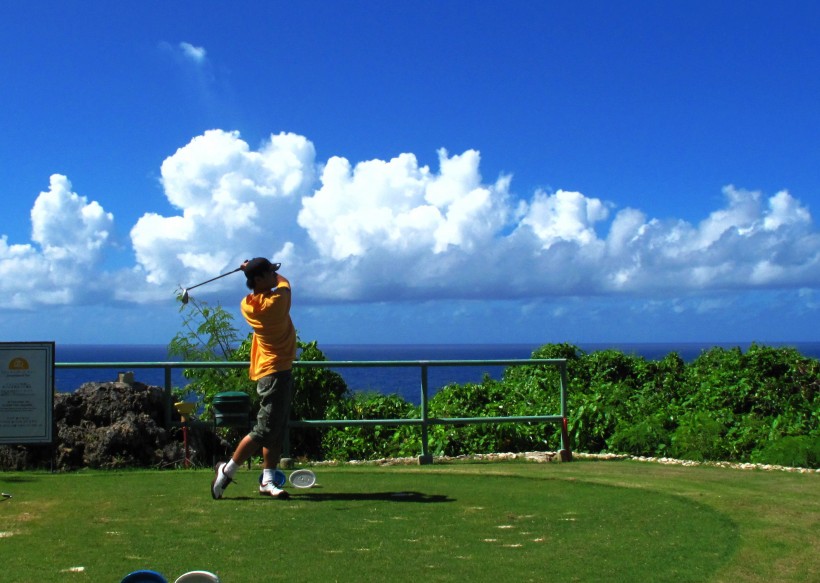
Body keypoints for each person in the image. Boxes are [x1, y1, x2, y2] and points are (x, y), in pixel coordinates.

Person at [211, 257, 297, 500]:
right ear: (260, 279)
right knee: (263, 429)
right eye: (270, 272)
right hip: (275, 373)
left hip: (273, 371)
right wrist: (252, 270)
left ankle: (268, 480)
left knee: (276, 428)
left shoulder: (247, 304)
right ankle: (227, 470)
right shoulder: (276, 302)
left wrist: (249, 272)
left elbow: (270, 283)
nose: (275, 275)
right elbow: (285, 283)